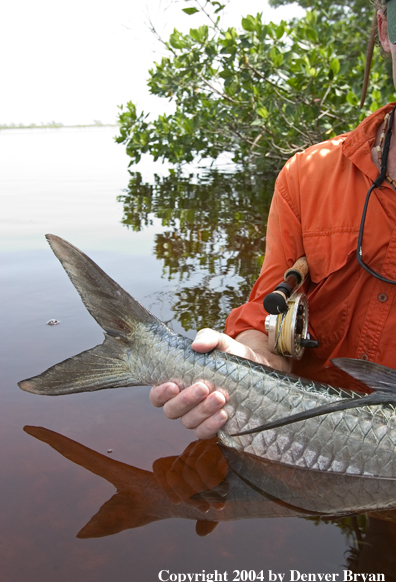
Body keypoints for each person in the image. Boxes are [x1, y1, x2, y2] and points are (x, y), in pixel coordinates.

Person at [150, 1, 396, 439]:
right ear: (384, 29)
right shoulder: (307, 175)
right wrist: (246, 367)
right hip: (305, 434)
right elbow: (270, 327)